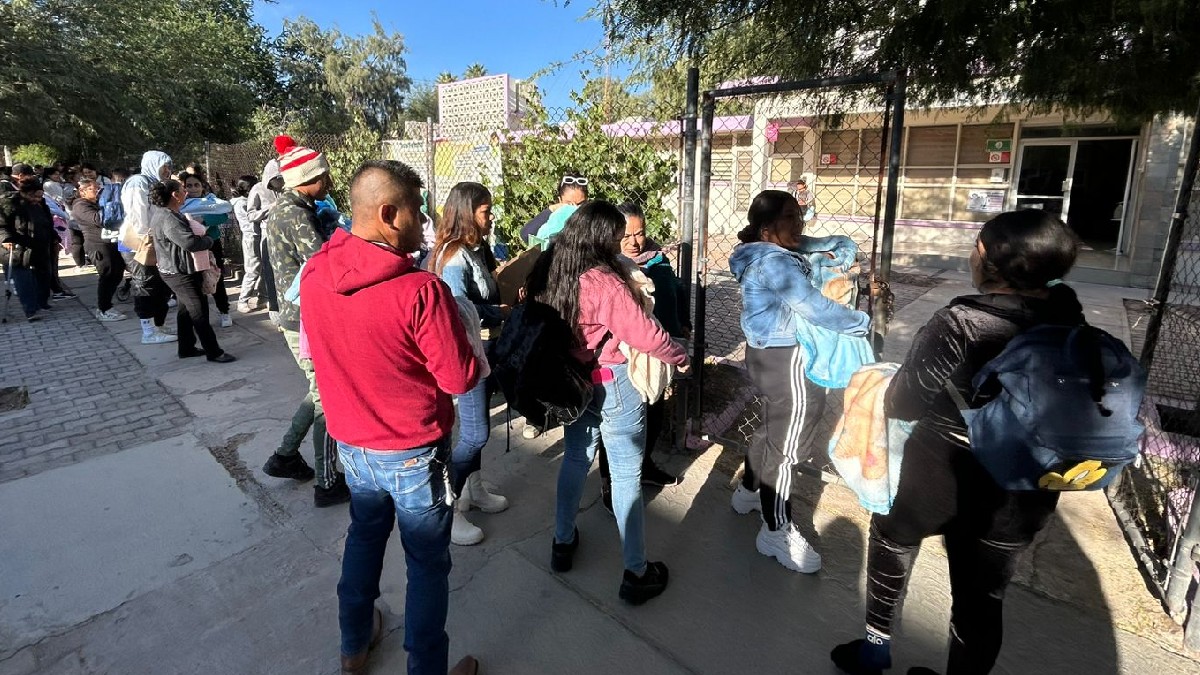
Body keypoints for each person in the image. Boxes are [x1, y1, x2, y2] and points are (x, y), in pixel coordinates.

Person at [831, 210, 1082, 675]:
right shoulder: (1070, 316)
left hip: (940, 476)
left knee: (892, 541)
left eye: (978, 247)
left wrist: (877, 382)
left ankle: (874, 649)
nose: (972, 254)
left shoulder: (962, 321)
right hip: (1024, 488)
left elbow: (904, 404)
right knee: (983, 598)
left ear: (993, 264)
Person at [302, 159, 480, 675]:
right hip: (411, 454)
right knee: (426, 564)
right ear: (386, 213)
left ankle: (353, 646)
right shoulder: (420, 292)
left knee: (363, 536)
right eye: (416, 213)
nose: (424, 224)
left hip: (351, 445)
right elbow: (458, 379)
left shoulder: (315, 272)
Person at [527, 200, 688, 605]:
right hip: (613, 384)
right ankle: (636, 571)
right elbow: (647, 336)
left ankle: (562, 542)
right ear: (600, 238)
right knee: (625, 475)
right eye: (618, 236)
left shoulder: (553, 266)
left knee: (575, 460)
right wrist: (681, 356)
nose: (624, 243)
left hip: (573, 383)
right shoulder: (604, 282)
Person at [727, 190, 870, 573]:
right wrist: (860, 323)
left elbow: (806, 244)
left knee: (775, 431)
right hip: (787, 358)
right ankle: (775, 530)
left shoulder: (761, 252)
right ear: (767, 228)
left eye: (800, 214)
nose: (800, 223)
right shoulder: (775, 262)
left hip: (765, 355)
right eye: (791, 217)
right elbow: (813, 305)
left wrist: (828, 246)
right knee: (787, 448)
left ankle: (749, 492)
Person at [259, 144, 349, 508]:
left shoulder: (296, 208)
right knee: (326, 397)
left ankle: (285, 456)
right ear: (307, 179)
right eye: (323, 175)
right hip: (304, 318)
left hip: (297, 315)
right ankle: (327, 482)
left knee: (317, 392)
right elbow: (322, 263)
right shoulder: (295, 214)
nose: (328, 181)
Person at [591, 202, 691, 513]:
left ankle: (645, 466)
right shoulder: (613, 270)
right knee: (621, 427)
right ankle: (611, 481)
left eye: (641, 233)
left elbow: (674, 291)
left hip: (660, 352)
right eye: (627, 235)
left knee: (656, 411)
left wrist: (682, 322)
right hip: (629, 357)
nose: (636, 241)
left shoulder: (658, 259)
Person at [426, 181, 511, 546]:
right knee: (475, 433)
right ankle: (450, 507)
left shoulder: (475, 249)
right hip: (468, 352)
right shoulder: (454, 257)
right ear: (466, 212)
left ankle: (473, 491)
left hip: (484, 348)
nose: (490, 217)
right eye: (485, 211)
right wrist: (500, 311)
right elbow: (458, 310)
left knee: (477, 431)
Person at [148, 180, 235, 363]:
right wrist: (209, 240)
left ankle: (186, 347)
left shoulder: (167, 214)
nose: (186, 193)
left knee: (186, 310)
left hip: (177, 269)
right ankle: (214, 352)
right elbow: (190, 243)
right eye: (182, 190)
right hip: (178, 272)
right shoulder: (168, 218)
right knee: (199, 311)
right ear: (175, 195)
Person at [120, 151, 178, 345]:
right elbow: (138, 216)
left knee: (160, 285)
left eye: (169, 166)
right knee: (145, 284)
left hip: (154, 241)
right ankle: (148, 330)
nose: (167, 170)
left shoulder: (155, 183)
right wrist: (149, 235)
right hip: (138, 243)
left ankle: (158, 326)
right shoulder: (138, 183)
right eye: (164, 166)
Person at [181, 173, 233, 327]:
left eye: (196, 185)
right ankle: (201, 317)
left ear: (202, 186)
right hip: (192, 246)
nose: (193, 188)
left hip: (211, 243)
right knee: (195, 280)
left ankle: (224, 311)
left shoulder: (211, 202)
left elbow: (222, 216)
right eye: (189, 185)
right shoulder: (181, 203)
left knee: (215, 277)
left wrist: (203, 219)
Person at [0, 178, 56, 321]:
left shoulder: (40, 203)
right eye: (34, 196)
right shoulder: (9, 203)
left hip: (39, 245)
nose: (37, 199)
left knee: (44, 274)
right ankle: (31, 310)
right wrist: (6, 239)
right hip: (17, 247)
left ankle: (41, 302)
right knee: (23, 279)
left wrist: (54, 236)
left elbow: (46, 222)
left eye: (40, 196)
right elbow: (2, 225)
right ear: (25, 193)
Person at [71, 178, 126, 321]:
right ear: (82, 191)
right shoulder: (80, 205)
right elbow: (97, 219)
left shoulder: (95, 203)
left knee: (117, 273)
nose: (98, 191)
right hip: (97, 245)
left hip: (110, 243)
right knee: (107, 276)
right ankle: (103, 308)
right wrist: (110, 205)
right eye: (94, 188)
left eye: (98, 187)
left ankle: (108, 305)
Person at [247, 157, 284, 321]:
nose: (280, 182)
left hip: (284, 231)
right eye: (277, 179)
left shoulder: (287, 187)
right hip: (267, 233)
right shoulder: (258, 189)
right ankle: (274, 308)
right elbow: (251, 215)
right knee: (269, 271)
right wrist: (270, 208)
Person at [230, 174, 263, 313]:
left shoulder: (244, 201)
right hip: (251, 237)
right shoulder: (243, 203)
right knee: (253, 269)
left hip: (256, 236)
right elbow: (253, 219)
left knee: (262, 268)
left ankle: (263, 296)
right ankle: (243, 300)